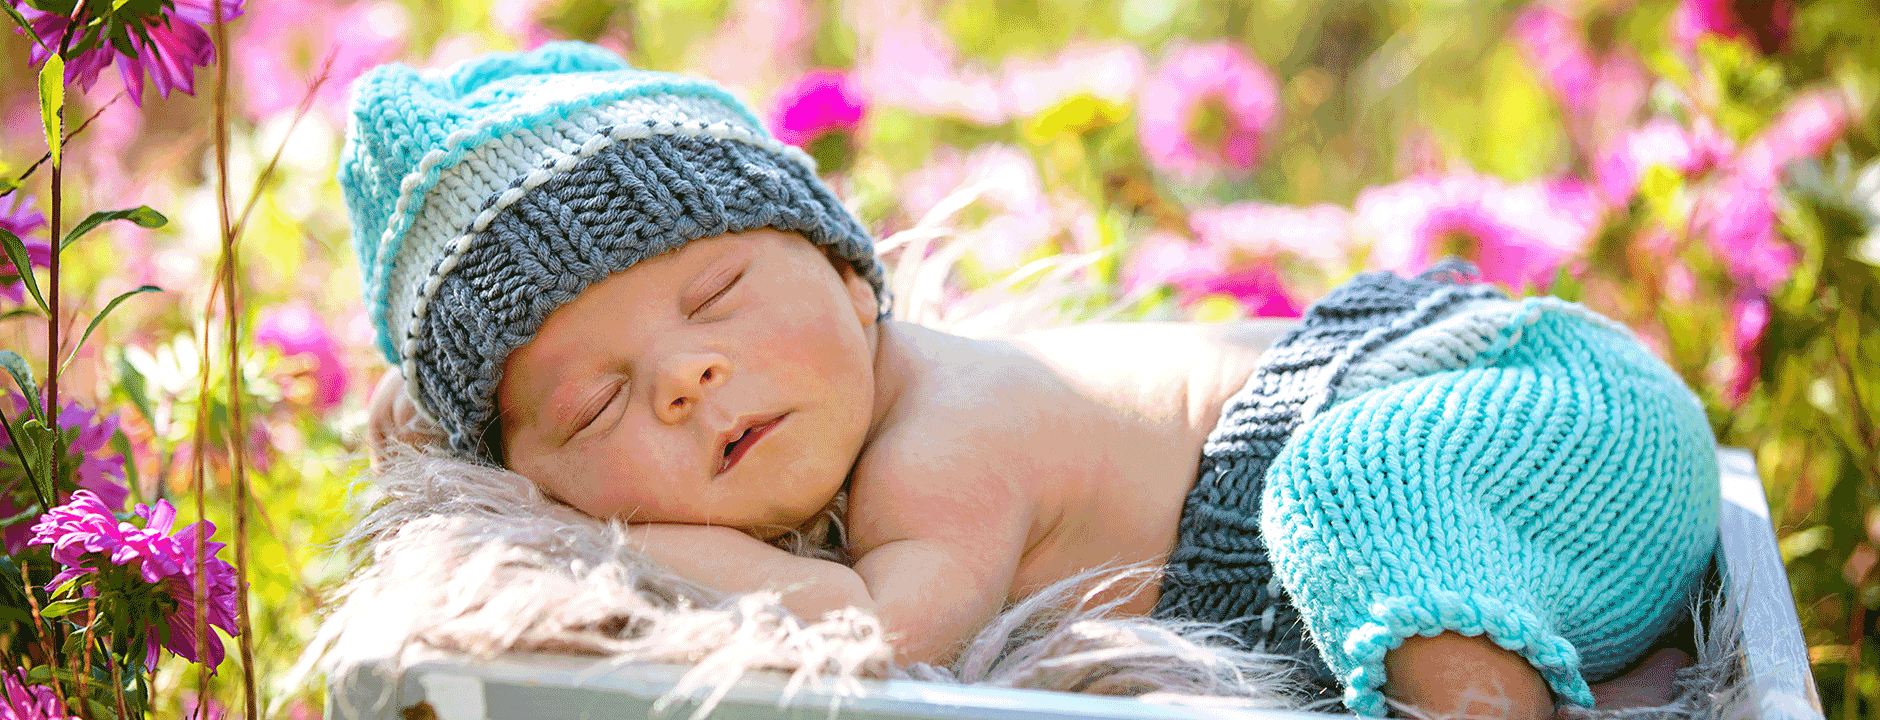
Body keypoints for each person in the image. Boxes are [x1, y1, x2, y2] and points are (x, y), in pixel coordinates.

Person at [342, 41, 1720, 719]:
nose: (692, 378)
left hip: (1519, 407)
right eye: (594, 406)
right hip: (1502, 454)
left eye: (716, 297)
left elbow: (886, 633)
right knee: (1356, 508)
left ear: (851, 273)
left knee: (1350, 494)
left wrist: (630, 535)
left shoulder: (942, 439)